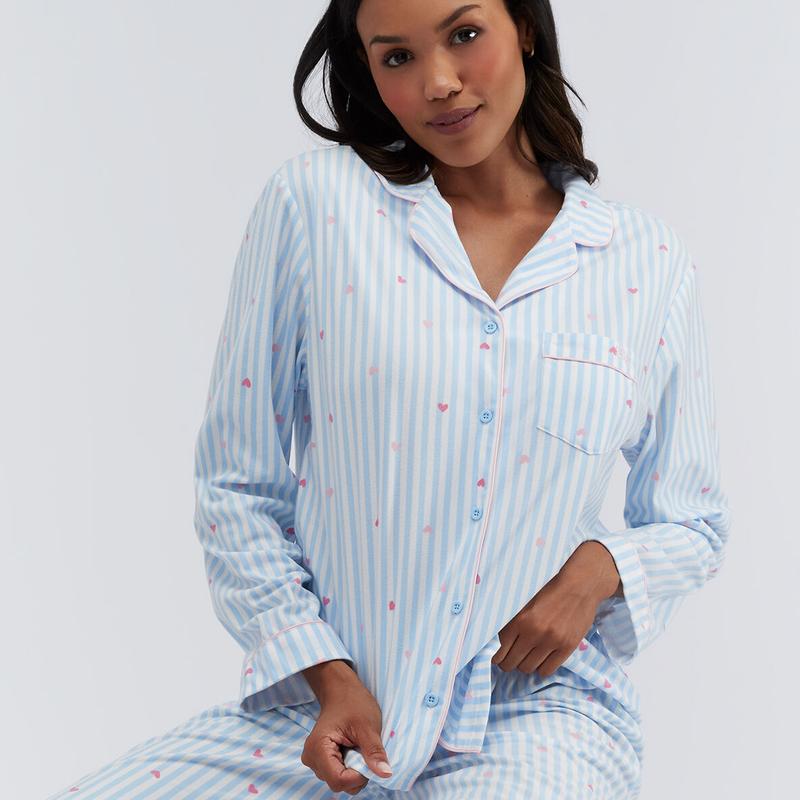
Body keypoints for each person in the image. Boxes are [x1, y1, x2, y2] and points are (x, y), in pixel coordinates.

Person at [45, 0, 731, 798]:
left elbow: (694, 519)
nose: (438, 82)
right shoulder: (316, 206)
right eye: (396, 57)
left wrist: (602, 567)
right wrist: (325, 670)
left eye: (465, 35)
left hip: (532, 715)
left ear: (524, 27)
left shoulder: (646, 262)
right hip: (322, 711)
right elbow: (238, 484)